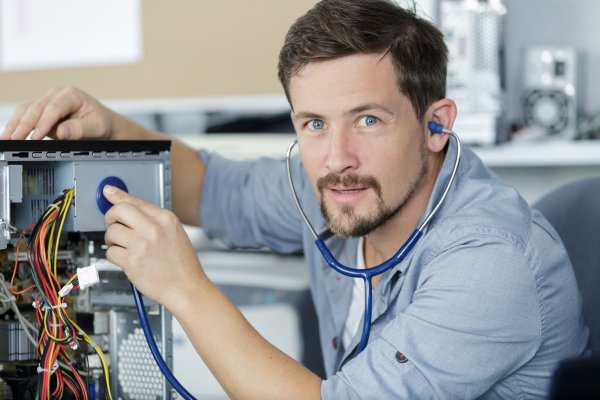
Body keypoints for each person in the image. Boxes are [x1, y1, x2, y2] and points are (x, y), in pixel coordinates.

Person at [0, 0, 588, 398]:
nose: (336, 158)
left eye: (367, 120)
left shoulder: (490, 262)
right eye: (312, 124)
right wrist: (112, 128)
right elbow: (209, 187)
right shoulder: (343, 191)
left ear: (436, 126)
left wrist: (184, 289)